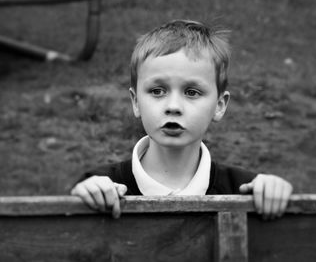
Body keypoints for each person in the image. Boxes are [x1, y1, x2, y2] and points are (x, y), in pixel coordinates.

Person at [71, 19, 293, 219]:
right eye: (158, 91)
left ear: (219, 105)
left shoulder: (246, 190)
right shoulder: (101, 186)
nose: (173, 107)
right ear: (136, 101)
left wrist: (273, 190)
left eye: (192, 92)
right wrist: (84, 195)